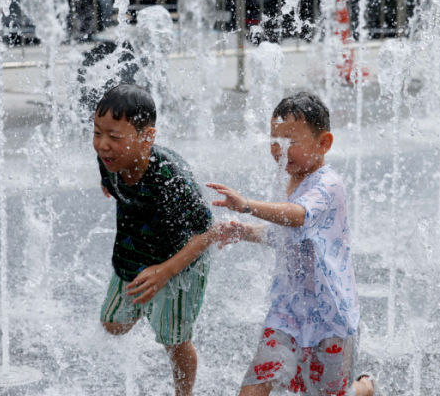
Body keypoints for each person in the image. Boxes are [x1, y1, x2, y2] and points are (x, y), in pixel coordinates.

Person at [208, 92, 374, 396]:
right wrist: (244, 232)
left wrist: (246, 205)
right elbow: (284, 234)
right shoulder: (290, 181)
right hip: (288, 311)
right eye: (275, 141)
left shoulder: (328, 184)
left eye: (290, 142)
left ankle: (365, 387)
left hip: (330, 316)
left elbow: (298, 216)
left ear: (324, 143)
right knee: (254, 386)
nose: (280, 150)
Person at [93, 83, 219, 396]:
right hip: (134, 248)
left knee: (173, 340)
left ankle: (184, 392)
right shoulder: (109, 160)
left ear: (147, 137)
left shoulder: (169, 179)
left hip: (179, 262)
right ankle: (151, 305)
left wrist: (165, 272)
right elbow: (108, 173)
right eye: (97, 132)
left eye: (114, 137)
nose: (103, 145)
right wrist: (109, 185)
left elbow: (207, 232)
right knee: (112, 324)